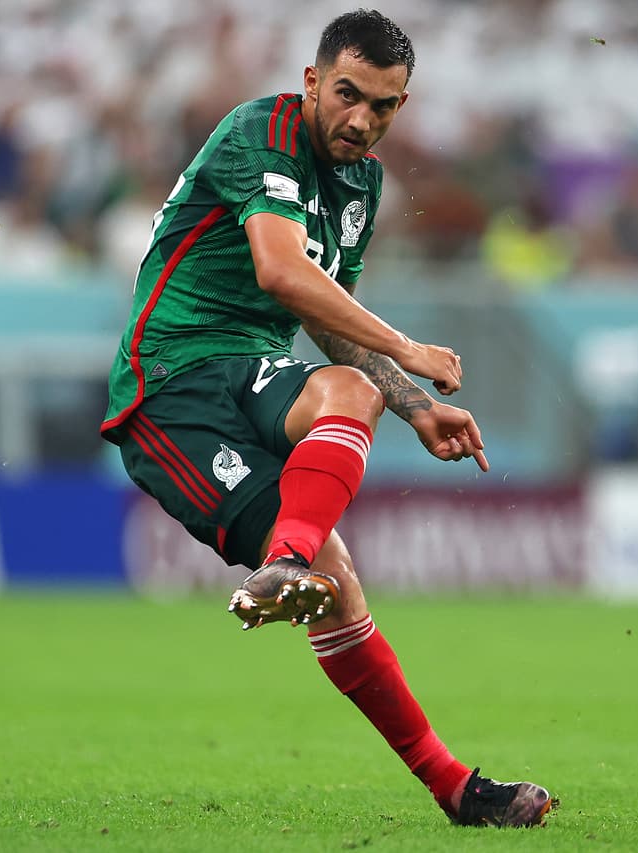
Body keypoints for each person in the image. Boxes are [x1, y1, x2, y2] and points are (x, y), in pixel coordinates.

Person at [100, 10, 555, 828]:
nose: (362, 120)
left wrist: (417, 407)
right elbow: (281, 272)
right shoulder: (261, 131)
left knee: (353, 398)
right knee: (336, 572)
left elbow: (330, 318)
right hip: (171, 384)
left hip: (254, 365)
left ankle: (454, 787)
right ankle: (289, 563)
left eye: (384, 106)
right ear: (313, 82)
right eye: (348, 95)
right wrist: (409, 347)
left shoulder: (360, 181)